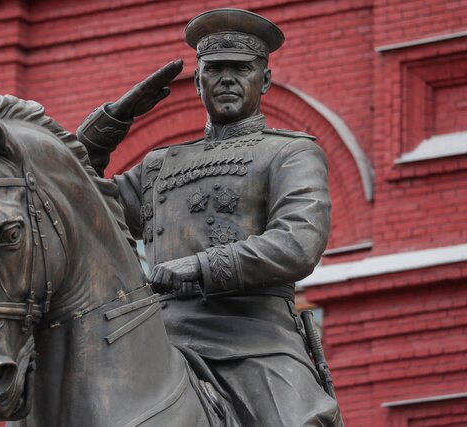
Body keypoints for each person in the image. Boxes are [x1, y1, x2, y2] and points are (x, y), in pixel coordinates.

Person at [76, 8, 343, 426]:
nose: (227, 79)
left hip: (254, 340)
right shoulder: (159, 165)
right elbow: (78, 202)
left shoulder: (289, 152)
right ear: (198, 80)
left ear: (265, 80)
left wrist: (199, 266)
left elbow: (297, 244)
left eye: (241, 69)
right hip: (157, 337)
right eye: (215, 70)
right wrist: (110, 123)